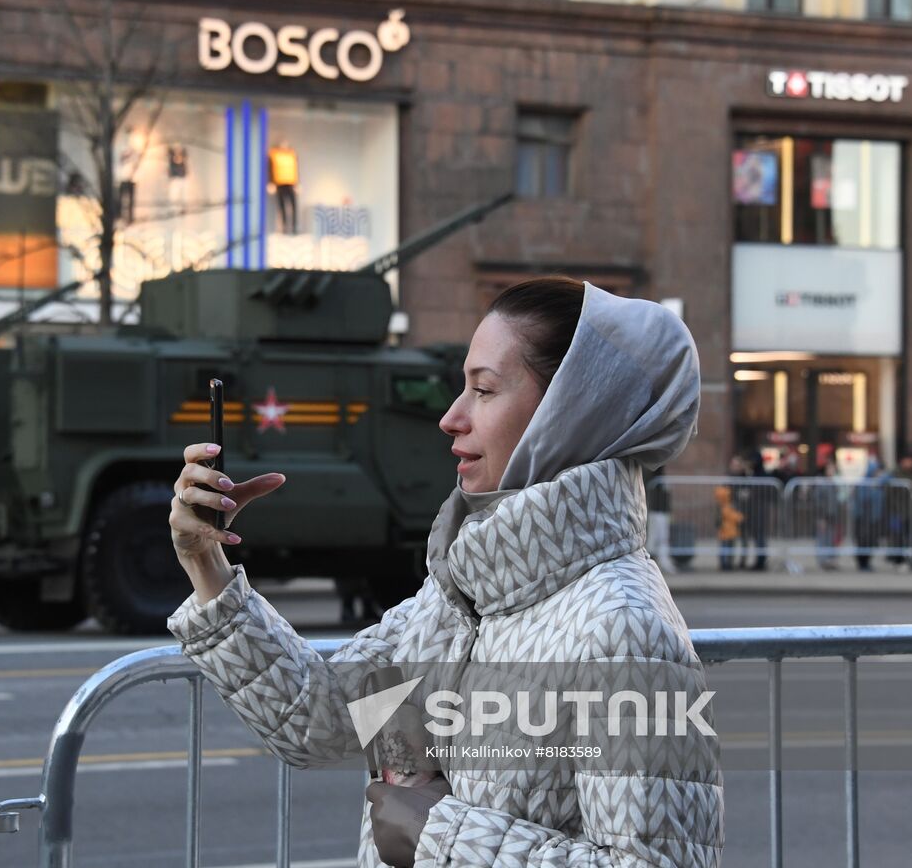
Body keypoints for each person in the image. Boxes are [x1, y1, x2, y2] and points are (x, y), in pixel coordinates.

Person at [165, 277, 722, 868]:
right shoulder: (465, 592)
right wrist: (205, 561)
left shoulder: (626, 630)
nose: (451, 418)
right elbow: (320, 718)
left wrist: (436, 834)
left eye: (483, 390)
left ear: (568, 413)